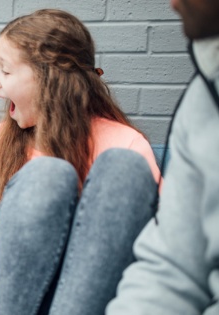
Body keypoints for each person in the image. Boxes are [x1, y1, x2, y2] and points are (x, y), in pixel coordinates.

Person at [0, 9, 162, 315]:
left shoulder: (127, 145)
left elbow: (156, 253)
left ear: (49, 81)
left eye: (5, 70)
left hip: (93, 303)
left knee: (125, 168)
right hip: (18, 302)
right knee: (46, 176)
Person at [106, 0, 219, 313]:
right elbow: (171, 266)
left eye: (6, 69)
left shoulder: (126, 148)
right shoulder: (201, 101)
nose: (171, 3)